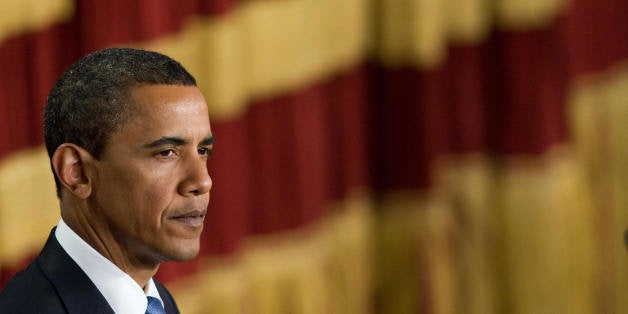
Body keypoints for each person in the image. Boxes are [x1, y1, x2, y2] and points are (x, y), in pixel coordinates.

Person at [0, 47, 214, 313]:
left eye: (203, 151)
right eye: (166, 153)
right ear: (77, 171)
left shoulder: (156, 302)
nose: (202, 181)